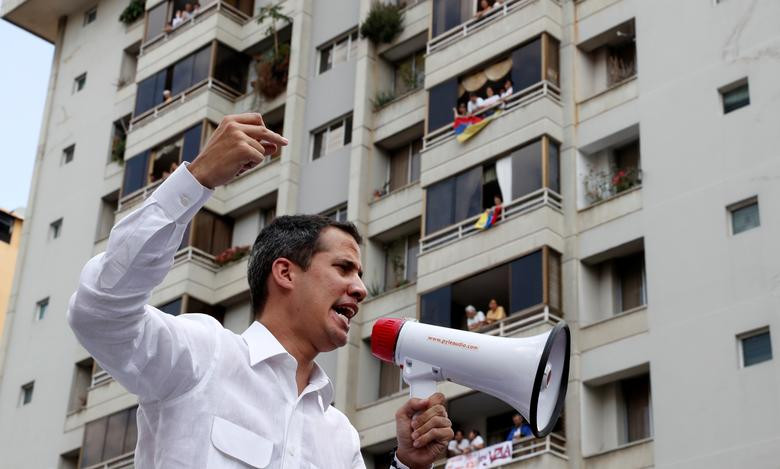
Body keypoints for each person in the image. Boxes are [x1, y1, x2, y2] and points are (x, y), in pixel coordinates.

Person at [67, 113, 453, 468]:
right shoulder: (203, 357)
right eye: (343, 268)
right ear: (285, 273)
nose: (361, 289)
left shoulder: (340, 436)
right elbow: (100, 313)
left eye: (360, 275)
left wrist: (408, 464)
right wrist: (197, 178)